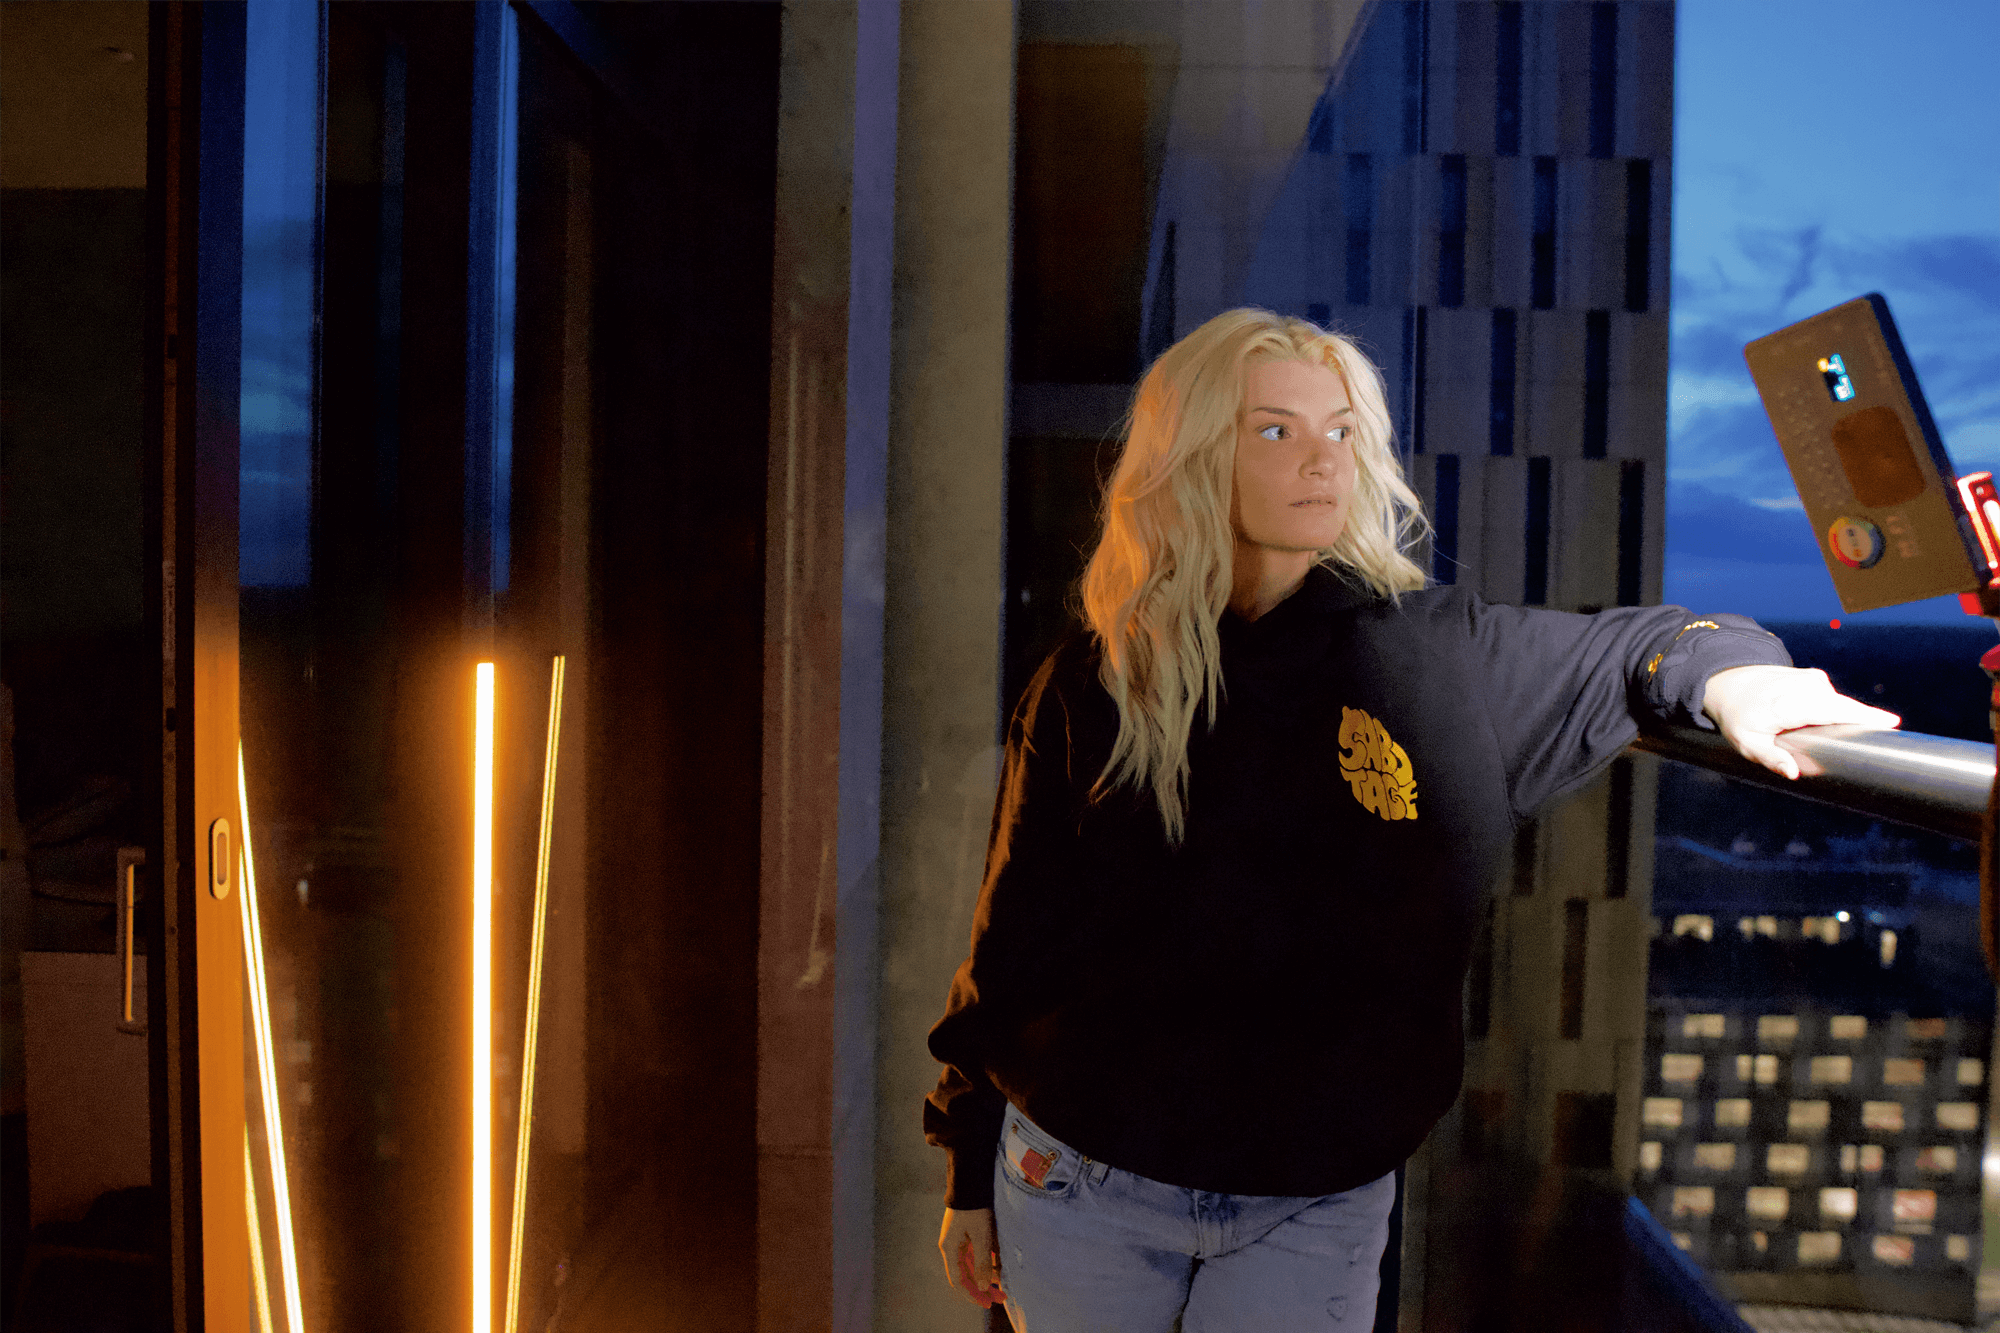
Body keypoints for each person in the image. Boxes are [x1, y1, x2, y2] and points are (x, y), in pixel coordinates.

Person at [922, 308, 1899, 1331]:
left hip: (1310, 1207)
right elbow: (1010, 946)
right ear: (1192, 455)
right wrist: (965, 1167)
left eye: (1340, 431)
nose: (1320, 460)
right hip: (1080, 1182)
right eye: (1273, 430)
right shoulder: (1096, 679)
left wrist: (1736, 682)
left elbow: (1649, 645)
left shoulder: (1440, 659)